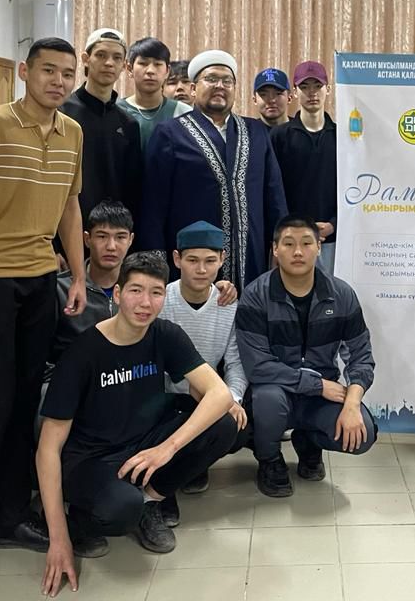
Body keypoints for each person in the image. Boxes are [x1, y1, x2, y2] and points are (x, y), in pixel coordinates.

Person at [0, 37, 88, 586]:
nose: (58, 81)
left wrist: (77, 275)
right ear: (25, 72)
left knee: (27, 405)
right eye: (48, 70)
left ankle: (10, 519)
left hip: (40, 280)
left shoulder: (72, 132)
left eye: (67, 73)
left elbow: (70, 206)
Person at [37, 252, 237, 594]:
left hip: (143, 445)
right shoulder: (84, 352)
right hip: (91, 459)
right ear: (117, 294)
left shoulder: (164, 334)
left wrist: (167, 448)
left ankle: (149, 502)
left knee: (224, 425)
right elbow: (48, 448)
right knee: (121, 509)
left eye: (156, 292)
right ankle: (79, 519)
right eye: (135, 291)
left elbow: (219, 393)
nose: (145, 303)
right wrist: (59, 540)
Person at [236, 216, 378, 498]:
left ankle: (309, 441)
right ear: (275, 249)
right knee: (267, 399)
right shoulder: (256, 296)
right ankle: (269, 460)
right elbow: (258, 366)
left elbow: (361, 356)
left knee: (365, 435)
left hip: (319, 398)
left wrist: (352, 402)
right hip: (277, 391)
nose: (298, 252)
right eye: (288, 244)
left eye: (306, 243)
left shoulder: (341, 294)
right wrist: (317, 385)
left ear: (319, 247)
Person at [140, 50, 289, 290]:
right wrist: (155, 265)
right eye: (211, 79)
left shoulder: (256, 132)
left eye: (227, 81)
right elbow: (153, 205)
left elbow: (274, 196)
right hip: (193, 264)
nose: (220, 86)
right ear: (193, 88)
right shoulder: (170, 133)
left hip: (251, 260)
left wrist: (282, 246)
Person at [156, 220, 251, 523]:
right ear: (177, 259)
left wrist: (231, 399)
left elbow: (235, 363)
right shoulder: (160, 299)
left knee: (237, 426)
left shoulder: (228, 303)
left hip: (208, 397)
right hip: (164, 396)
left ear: (222, 259)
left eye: (210, 261)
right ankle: (162, 489)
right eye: (192, 260)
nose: (201, 269)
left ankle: (193, 465)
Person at [58, 28, 143, 228]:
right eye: (101, 55)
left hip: (112, 234)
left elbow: (133, 189)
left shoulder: (128, 123)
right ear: (86, 59)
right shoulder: (61, 113)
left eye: (117, 58)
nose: (109, 63)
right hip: (65, 227)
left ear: (124, 65)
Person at [270, 60, 339, 275]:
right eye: (305, 87)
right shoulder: (279, 136)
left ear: (328, 89)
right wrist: (291, 227)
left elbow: (352, 188)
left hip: (333, 239)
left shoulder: (342, 137)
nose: (312, 93)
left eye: (318, 86)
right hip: (291, 239)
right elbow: (273, 189)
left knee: (331, 293)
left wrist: (334, 224)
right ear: (295, 92)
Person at [49, 200, 134, 372]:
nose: (111, 246)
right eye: (102, 236)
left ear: (131, 240)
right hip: (71, 380)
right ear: (87, 239)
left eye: (120, 237)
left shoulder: (138, 290)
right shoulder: (60, 288)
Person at [119, 37, 188, 148]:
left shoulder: (183, 113)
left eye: (157, 64)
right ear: (130, 68)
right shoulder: (116, 111)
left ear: (167, 71)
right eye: (143, 63)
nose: (150, 71)